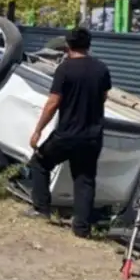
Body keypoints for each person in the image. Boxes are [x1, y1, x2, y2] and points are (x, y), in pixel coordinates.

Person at [25, 27, 111, 239]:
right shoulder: (101, 68)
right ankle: (81, 228)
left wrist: (38, 130)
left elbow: (54, 101)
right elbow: (104, 96)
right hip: (92, 136)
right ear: (89, 45)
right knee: (84, 179)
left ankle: (41, 209)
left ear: (68, 45)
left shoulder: (65, 69)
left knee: (40, 163)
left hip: (67, 135)